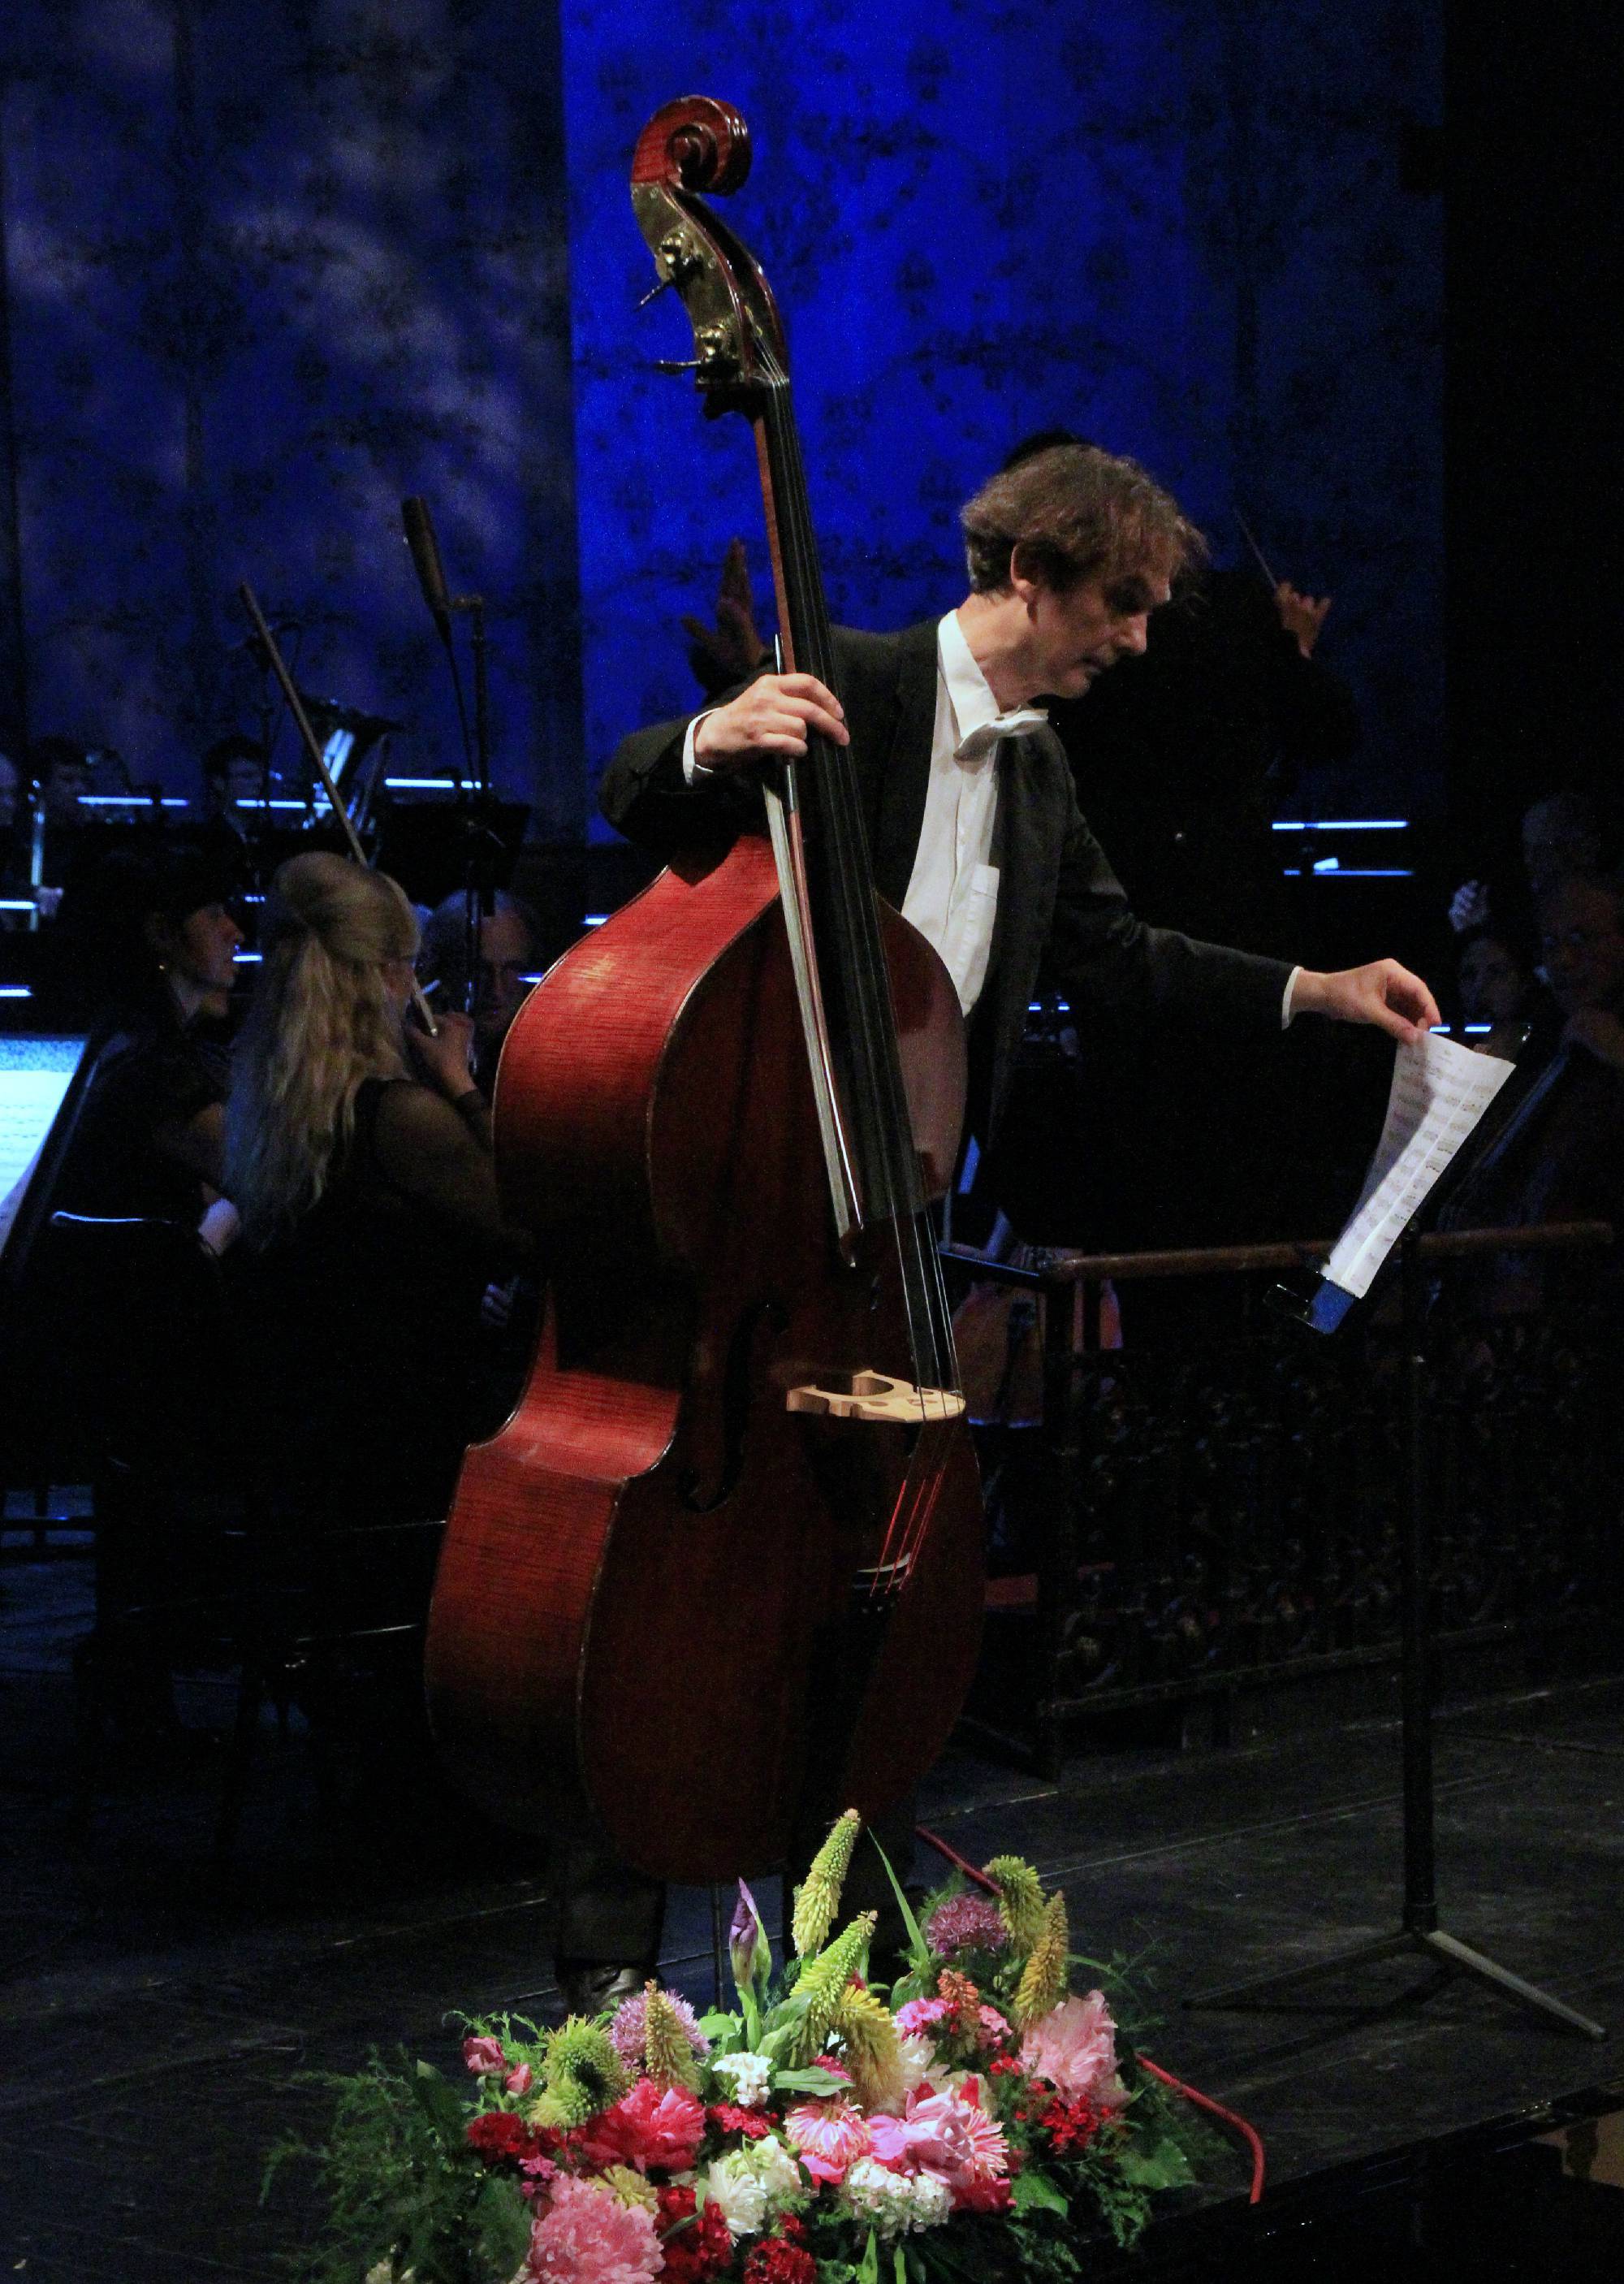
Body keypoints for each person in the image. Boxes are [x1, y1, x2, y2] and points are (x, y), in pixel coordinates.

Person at [598, 440, 1440, 1986]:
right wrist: (712, 734)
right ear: (1032, 575)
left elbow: (1119, 955)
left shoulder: (1043, 769)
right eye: (1123, 602)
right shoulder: (855, 682)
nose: (1139, 638)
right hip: (762, 1200)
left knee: (873, 1574)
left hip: (897, 1233)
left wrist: (1317, 989)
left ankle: (848, 1935)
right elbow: (629, 782)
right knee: (679, 1569)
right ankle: (614, 1938)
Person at [224, 852, 529, 1524]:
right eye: (410, 967)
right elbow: (527, 1222)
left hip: (304, 1429)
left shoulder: (272, 1104)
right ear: (384, 978)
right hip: (404, 1441)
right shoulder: (401, 1117)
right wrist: (462, 1085)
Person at [50, 841, 243, 1236]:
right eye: (213, 915)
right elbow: (269, 1175)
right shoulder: (148, 1066)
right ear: (162, 934)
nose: (235, 933)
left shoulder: (130, 1040)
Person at [417, 889, 542, 1092]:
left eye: (512, 969)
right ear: (442, 969)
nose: (496, 989)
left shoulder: (539, 1063)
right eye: (480, 970)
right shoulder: (417, 1062)